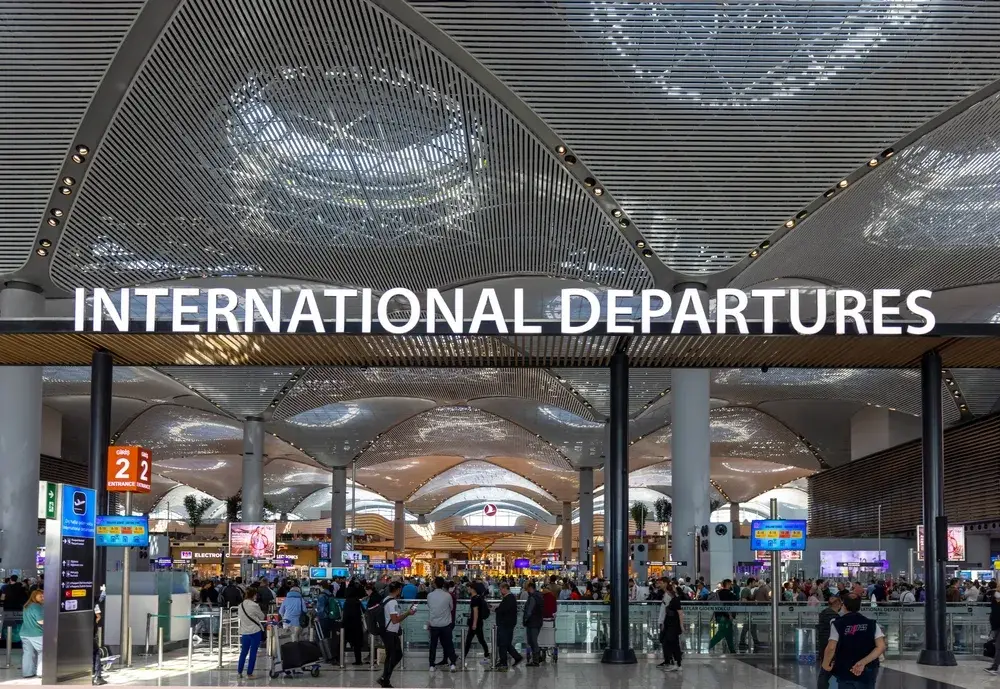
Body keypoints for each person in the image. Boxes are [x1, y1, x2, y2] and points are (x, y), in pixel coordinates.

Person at [821, 594, 886, 688]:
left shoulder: (837, 623)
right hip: (868, 669)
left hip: (845, 668)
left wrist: (825, 665)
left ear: (843, 606)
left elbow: (831, 647)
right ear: (859, 606)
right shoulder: (872, 624)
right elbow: (881, 646)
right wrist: (862, 662)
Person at [378, 581, 416, 689]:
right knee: (395, 655)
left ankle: (385, 679)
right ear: (398, 590)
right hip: (390, 632)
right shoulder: (392, 602)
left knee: (392, 656)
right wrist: (408, 613)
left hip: (388, 632)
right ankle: (385, 679)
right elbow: (395, 620)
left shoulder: (386, 599)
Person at [427, 577, 457, 672]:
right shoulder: (448, 596)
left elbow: (430, 607)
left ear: (435, 584)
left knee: (433, 645)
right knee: (449, 644)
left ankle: (432, 665)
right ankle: (452, 663)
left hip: (434, 624)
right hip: (445, 624)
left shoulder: (430, 595)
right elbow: (451, 608)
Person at [237, 588, 267, 678]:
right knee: (253, 652)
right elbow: (262, 617)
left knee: (243, 652)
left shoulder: (240, 605)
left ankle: (239, 672)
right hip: (255, 631)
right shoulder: (255, 605)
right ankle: (249, 673)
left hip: (244, 632)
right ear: (254, 595)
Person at [494, 581, 523, 671]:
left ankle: (504, 662)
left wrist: (496, 609)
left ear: (505, 589)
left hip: (506, 624)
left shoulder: (509, 598)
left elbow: (504, 610)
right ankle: (517, 657)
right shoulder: (509, 598)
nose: (500, 591)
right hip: (507, 624)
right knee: (506, 643)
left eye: (501, 589)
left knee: (503, 643)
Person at [816, 594, 843, 689]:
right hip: (831, 647)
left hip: (823, 646)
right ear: (839, 604)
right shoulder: (835, 617)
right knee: (827, 673)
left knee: (825, 671)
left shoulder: (823, 613)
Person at [707, 579, 737, 656]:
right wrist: (730, 615)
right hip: (726, 616)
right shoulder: (730, 594)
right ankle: (710, 646)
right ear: (728, 584)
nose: (731, 586)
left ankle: (732, 650)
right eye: (730, 584)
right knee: (721, 633)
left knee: (729, 633)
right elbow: (732, 605)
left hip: (719, 615)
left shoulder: (718, 593)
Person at [659, 581, 684, 672]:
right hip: (669, 625)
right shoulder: (672, 600)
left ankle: (677, 663)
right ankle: (674, 662)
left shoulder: (675, 600)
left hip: (673, 626)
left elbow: (680, 613)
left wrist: (681, 626)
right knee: (669, 642)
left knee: (673, 644)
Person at [463, 582, 490, 664]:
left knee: (469, 640)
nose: (468, 589)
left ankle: (463, 656)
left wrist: (474, 623)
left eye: (469, 588)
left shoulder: (475, 599)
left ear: (473, 589)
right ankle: (487, 655)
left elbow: (475, 612)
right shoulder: (478, 597)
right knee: (481, 639)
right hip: (479, 622)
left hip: (475, 622)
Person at [342, 583, 367, 666]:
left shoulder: (347, 602)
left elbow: (345, 616)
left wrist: (342, 625)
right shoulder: (357, 601)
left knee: (342, 642)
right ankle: (358, 660)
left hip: (348, 626)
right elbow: (364, 611)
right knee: (357, 645)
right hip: (357, 625)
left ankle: (340, 659)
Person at [21, 589, 44, 678]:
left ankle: (27, 673)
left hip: (25, 633)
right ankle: (41, 672)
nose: (43, 598)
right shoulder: (37, 607)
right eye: (40, 596)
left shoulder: (27, 606)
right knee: (43, 651)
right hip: (36, 633)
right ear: (34, 597)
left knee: (28, 653)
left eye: (43, 596)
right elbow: (41, 621)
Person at [523, 581, 544, 666]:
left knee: (532, 641)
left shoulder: (532, 597)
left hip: (532, 622)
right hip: (538, 621)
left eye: (526, 587)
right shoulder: (539, 596)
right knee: (533, 640)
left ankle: (536, 660)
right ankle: (537, 657)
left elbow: (529, 611)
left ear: (530, 587)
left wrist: (525, 619)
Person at [985, 582, 1000, 674]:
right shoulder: (994, 598)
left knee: (999, 647)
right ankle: (995, 666)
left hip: (998, 626)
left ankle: (995, 667)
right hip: (996, 626)